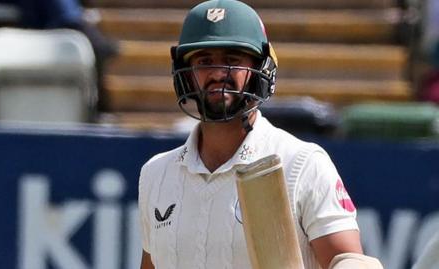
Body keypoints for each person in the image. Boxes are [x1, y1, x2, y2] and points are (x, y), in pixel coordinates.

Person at [138, 0, 383, 268]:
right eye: (205, 61)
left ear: (261, 69)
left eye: (233, 60)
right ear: (186, 72)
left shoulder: (301, 164)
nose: (219, 73)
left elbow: (350, 261)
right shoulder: (157, 174)